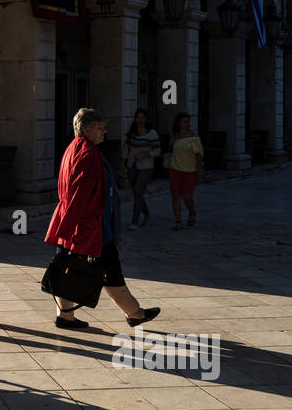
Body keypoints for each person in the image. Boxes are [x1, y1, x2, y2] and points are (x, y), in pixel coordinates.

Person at [45, 108, 160, 330]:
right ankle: (134, 313)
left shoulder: (74, 148)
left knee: (67, 266)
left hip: (80, 223)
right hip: (90, 226)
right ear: (86, 129)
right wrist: (72, 228)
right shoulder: (88, 154)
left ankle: (65, 316)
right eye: (100, 128)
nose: (104, 132)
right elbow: (79, 194)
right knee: (109, 267)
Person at [124, 108, 160, 231]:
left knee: (139, 190)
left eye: (142, 117)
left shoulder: (152, 134)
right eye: (138, 117)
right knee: (136, 193)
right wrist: (122, 164)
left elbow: (157, 150)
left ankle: (134, 221)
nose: (140, 120)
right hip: (132, 165)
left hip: (146, 166)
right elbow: (126, 149)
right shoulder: (131, 133)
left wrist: (146, 154)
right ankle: (146, 212)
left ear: (146, 119)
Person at [167, 112, 203, 230]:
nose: (187, 124)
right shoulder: (174, 135)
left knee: (187, 196)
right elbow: (170, 150)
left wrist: (199, 169)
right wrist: (171, 142)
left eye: (188, 121)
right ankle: (178, 222)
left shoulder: (193, 136)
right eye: (185, 122)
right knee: (175, 196)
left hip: (190, 170)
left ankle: (192, 212)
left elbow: (198, 154)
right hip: (175, 169)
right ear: (179, 123)